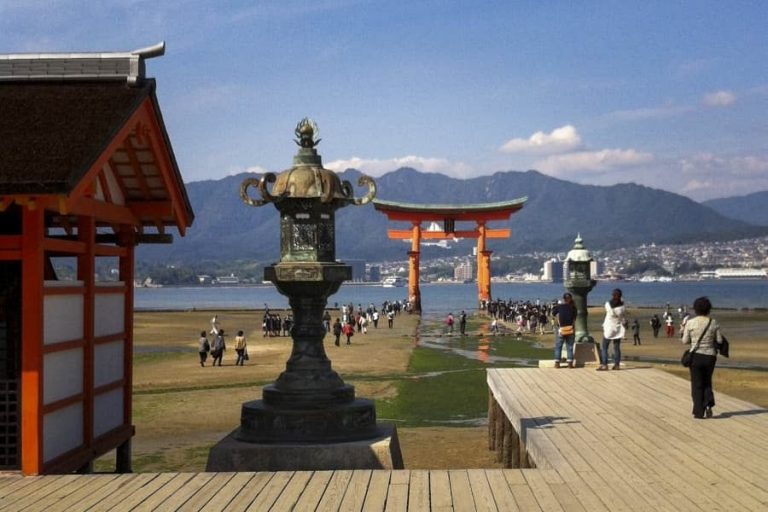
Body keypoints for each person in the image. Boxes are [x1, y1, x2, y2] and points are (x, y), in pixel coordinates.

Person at [682, 296, 724, 419]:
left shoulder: (690, 322)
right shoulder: (713, 322)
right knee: (707, 381)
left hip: (696, 356)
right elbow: (719, 340)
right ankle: (708, 405)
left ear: (695, 309)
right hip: (710, 356)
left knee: (697, 384)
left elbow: (685, 341)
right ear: (708, 309)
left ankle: (698, 411)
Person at [599, 289, 626, 371]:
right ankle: (617, 365)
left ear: (613, 295)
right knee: (616, 347)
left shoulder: (608, 304)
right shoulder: (622, 307)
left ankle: (604, 365)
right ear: (621, 296)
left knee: (604, 347)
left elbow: (609, 309)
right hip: (617, 328)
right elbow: (622, 317)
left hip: (609, 328)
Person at [552, 292, 577, 368]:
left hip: (561, 329)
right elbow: (574, 319)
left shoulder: (560, 306)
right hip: (570, 329)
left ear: (563, 299)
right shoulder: (573, 307)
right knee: (570, 347)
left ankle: (557, 363)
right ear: (571, 299)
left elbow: (553, 313)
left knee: (558, 346)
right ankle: (570, 363)